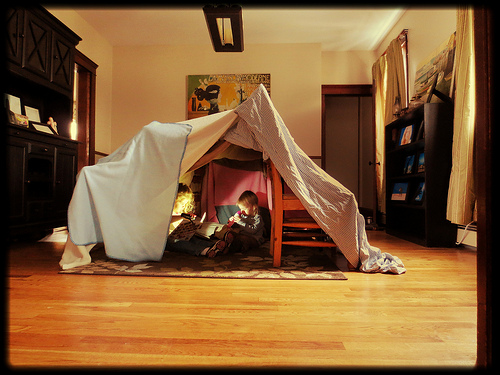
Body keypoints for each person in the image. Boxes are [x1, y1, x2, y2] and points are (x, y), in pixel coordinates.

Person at [166, 183, 226, 258]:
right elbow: (167, 220)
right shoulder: (167, 212)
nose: (183, 206)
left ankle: (214, 246)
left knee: (194, 239)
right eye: (182, 204)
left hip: (182, 237)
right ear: (174, 200)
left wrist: (194, 226)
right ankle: (204, 250)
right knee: (182, 244)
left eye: (185, 204)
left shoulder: (181, 213)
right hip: (169, 242)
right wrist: (181, 217)